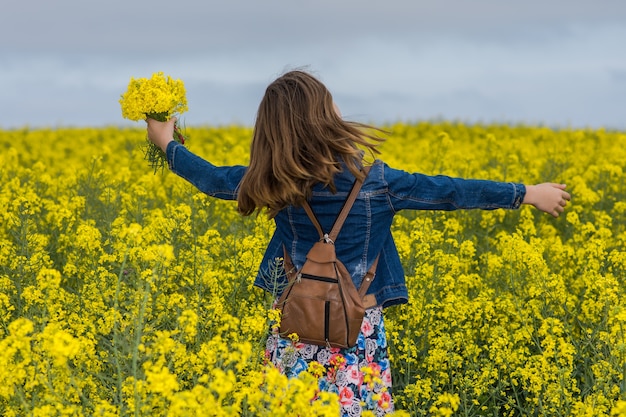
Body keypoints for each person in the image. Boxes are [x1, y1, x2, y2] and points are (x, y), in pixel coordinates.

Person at [146, 69, 571, 416]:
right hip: (359, 333)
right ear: (326, 119)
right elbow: (451, 192)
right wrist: (527, 192)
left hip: (294, 330)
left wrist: (166, 142)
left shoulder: (270, 181)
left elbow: (212, 179)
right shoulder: (379, 183)